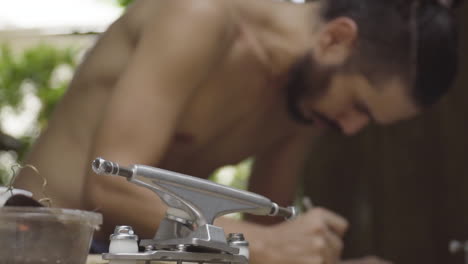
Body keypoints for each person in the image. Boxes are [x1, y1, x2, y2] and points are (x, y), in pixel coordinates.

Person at [15, 0, 460, 263]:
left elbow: (270, 231)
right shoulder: (201, 15)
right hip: (40, 241)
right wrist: (266, 245)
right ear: (336, 39)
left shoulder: (306, 99)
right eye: (357, 105)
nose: (349, 127)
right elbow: (110, 189)